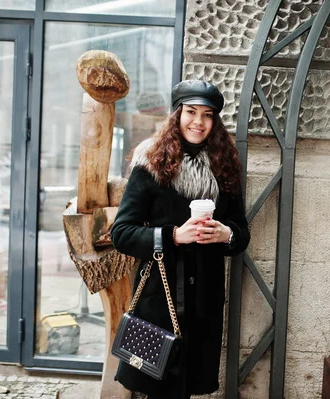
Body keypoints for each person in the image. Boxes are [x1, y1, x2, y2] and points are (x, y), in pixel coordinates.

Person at [110, 80, 251, 399]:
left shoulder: (223, 167)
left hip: (204, 300)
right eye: (191, 112)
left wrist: (225, 233)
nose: (198, 122)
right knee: (155, 388)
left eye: (207, 115)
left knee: (185, 388)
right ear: (177, 114)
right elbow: (122, 233)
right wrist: (173, 235)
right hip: (158, 299)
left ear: (214, 122)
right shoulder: (151, 163)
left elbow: (241, 234)